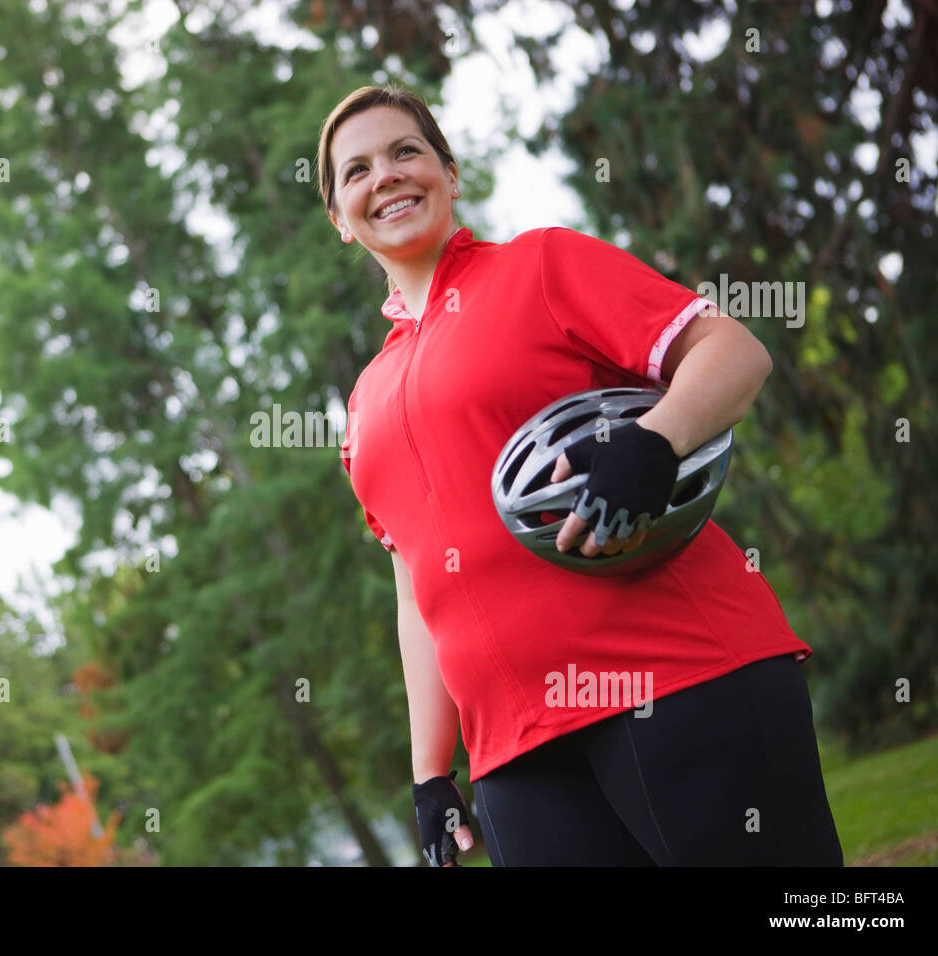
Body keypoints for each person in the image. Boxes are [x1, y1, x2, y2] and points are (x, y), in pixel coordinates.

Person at [320, 83, 843, 867]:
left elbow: (735, 352)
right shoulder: (362, 405)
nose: (385, 176)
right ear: (338, 218)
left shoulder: (542, 264)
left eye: (406, 152)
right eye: (356, 170)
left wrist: (652, 442)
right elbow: (416, 592)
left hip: (679, 676)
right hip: (516, 760)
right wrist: (431, 772)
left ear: (451, 174)